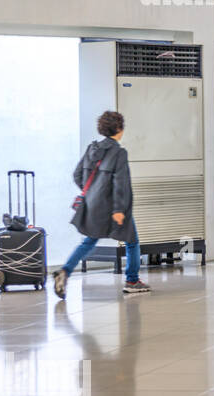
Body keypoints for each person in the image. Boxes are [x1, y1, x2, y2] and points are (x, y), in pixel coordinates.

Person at [53, 110, 150, 297]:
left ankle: (65, 271)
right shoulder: (119, 152)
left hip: (92, 205)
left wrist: (93, 193)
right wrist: (119, 209)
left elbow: (77, 174)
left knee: (89, 241)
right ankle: (132, 280)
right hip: (114, 206)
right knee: (132, 241)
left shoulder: (92, 148)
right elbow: (120, 183)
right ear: (119, 129)